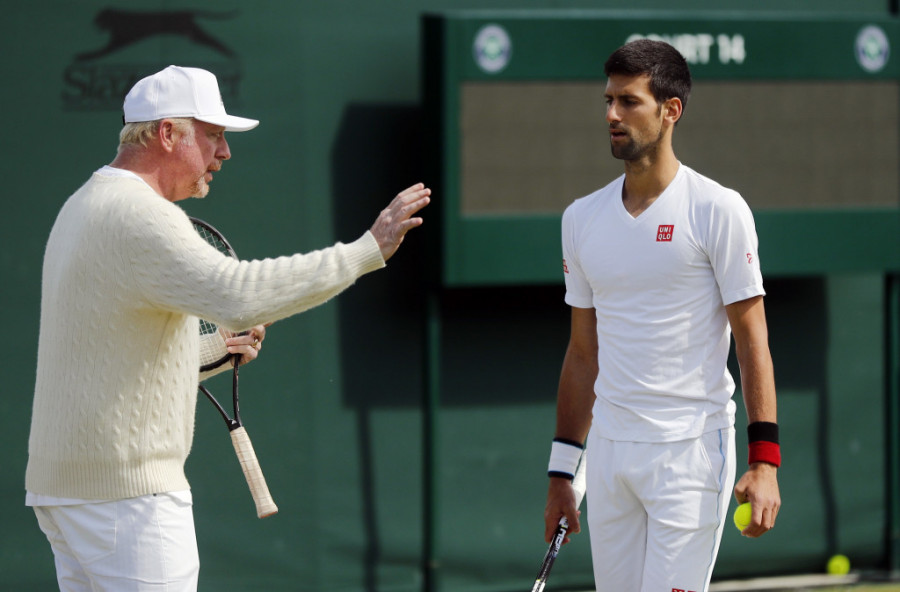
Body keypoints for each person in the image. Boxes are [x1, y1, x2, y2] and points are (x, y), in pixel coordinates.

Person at [25, 65, 430, 591]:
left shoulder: (82, 205)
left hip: (67, 495)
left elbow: (105, 361)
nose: (225, 152)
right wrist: (365, 251)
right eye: (213, 135)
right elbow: (239, 296)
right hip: (127, 503)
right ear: (167, 133)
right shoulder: (141, 216)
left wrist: (214, 349)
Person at [542, 40, 780, 592]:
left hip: (690, 455)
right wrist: (561, 474)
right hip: (609, 456)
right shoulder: (580, 219)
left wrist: (764, 461)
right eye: (608, 100)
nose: (612, 114)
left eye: (629, 101)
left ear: (671, 110)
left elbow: (753, 342)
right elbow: (583, 354)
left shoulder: (719, 210)